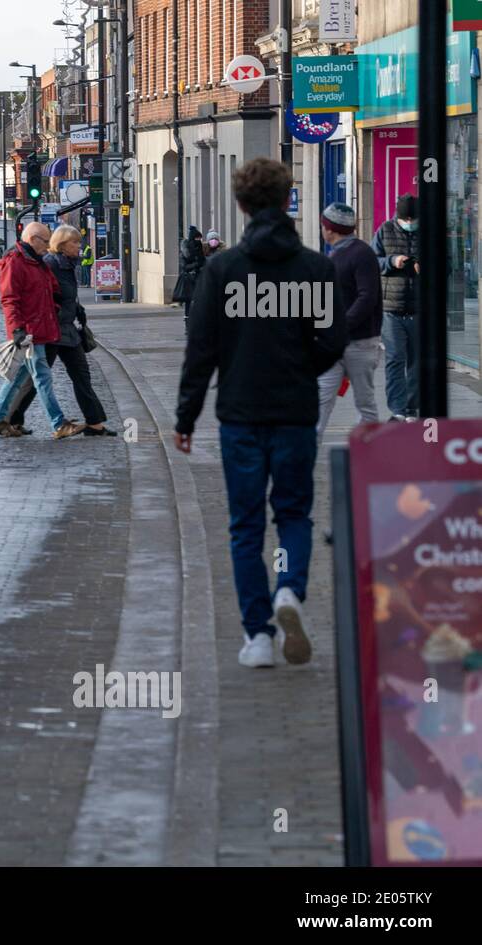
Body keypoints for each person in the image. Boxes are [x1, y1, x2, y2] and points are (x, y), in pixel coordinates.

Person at [174, 158, 348, 669]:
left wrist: (185, 418)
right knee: (293, 512)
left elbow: (200, 350)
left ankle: (258, 636)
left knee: (245, 525)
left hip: (241, 414)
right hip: (295, 412)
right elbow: (333, 340)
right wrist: (300, 366)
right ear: (287, 199)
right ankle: (290, 589)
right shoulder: (316, 268)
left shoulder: (223, 269)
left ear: (242, 204)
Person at [9, 223, 116, 436]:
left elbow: (67, 295)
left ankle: (95, 423)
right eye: (75, 242)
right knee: (35, 378)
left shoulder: (68, 264)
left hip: (67, 330)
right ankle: (11, 420)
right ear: (63, 244)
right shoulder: (50, 264)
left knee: (81, 374)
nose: (79, 246)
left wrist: (78, 309)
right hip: (51, 330)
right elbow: (42, 296)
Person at [0, 221, 83, 440]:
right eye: (45, 241)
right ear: (32, 239)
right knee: (43, 378)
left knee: (19, 377)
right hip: (29, 332)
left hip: (40, 329)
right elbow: (9, 300)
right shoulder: (16, 263)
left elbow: (50, 290)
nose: (48, 246)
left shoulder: (37, 262)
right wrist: (17, 329)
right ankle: (59, 423)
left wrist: (58, 302)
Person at [317, 202, 384, 436]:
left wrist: (342, 325)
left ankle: (369, 453)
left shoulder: (361, 254)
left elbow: (368, 297)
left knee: (364, 401)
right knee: (321, 399)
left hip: (360, 342)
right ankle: (305, 456)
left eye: (323, 225)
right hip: (334, 342)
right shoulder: (333, 255)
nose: (321, 229)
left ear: (330, 229)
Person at [372, 194, 420, 420]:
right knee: (394, 360)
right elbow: (373, 261)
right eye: (406, 218)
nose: (410, 222)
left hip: (420, 309)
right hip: (391, 309)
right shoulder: (385, 230)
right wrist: (392, 261)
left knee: (416, 363)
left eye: (413, 218)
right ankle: (397, 410)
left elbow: (447, 265)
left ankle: (412, 407)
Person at [173, 225, 206, 331]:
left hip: (198, 278)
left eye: (199, 239)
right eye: (197, 238)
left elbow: (203, 262)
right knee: (188, 302)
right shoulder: (185, 251)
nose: (198, 240)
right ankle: (188, 325)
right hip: (188, 279)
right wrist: (195, 264)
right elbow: (184, 266)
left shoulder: (199, 248)